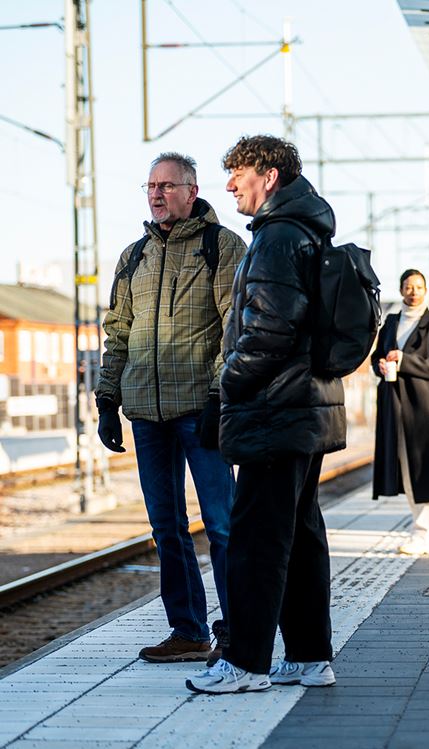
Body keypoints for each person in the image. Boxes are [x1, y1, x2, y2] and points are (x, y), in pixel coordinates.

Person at [186, 135, 344, 694]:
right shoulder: (306, 230)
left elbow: (269, 331)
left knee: (257, 542)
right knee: (299, 537)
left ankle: (246, 664)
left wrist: (225, 388)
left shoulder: (277, 237)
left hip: (275, 409)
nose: (230, 184)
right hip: (303, 408)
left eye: (239, 173)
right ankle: (309, 657)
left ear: (269, 176)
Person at [96, 152, 245, 665]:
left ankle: (238, 632)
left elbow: (235, 326)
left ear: (191, 190)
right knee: (166, 527)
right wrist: (107, 399)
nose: (156, 194)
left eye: (166, 186)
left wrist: (219, 395)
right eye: (151, 186)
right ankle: (188, 630)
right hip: (146, 412)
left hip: (201, 410)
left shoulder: (222, 246)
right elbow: (118, 331)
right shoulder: (133, 256)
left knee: (223, 525)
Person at [372, 269, 429, 556]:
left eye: (419, 287)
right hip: (396, 405)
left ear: (426, 290)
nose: (413, 292)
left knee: (426, 472)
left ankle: (425, 534)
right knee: (407, 470)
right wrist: (380, 366)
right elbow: (377, 356)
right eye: (408, 287)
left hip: (427, 409)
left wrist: (405, 360)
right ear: (401, 290)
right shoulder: (391, 323)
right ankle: (423, 533)